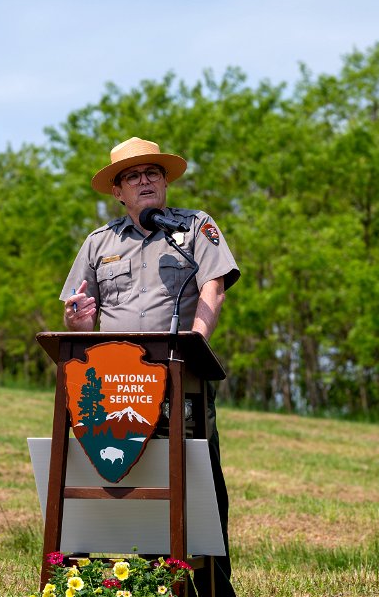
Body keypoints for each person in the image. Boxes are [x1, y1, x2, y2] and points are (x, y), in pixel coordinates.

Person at [60, 136, 239, 597]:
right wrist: (77, 323)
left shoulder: (194, 228)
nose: (145, 181)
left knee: (200, 482)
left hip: (184, 381)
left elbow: (213, 287)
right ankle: (154, 584)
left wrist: (196, 342)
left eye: (153, 173)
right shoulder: (99, 243)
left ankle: (214, 588)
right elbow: (79, 316)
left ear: (165, 183)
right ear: (117, 191)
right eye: (133, 176)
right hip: (120, 386)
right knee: (135, 480)